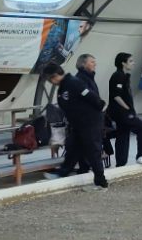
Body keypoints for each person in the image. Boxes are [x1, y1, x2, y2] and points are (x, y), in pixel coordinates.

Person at [43, 56, 108, 192]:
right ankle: (62, 173)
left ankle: (101, 182)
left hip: (89, 122)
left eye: (50, 79)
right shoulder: (63, 86)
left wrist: (96, 112)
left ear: (54, 76)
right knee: (73, 148)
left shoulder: (73, 83)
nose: (50, 82)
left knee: (93, 151)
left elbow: (92, 98)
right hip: (79, 124)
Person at [108, 52, 142, 166]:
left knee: (122, 134)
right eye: (130, 61)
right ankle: (141, 155)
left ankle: (121, 163)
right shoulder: (118, 76)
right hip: (121, 112)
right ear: (123, 63)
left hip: (122, 112)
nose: (133, 63)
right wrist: (127, 109)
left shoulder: (124, 76)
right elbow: (116, 96)